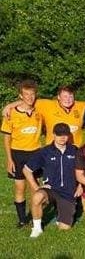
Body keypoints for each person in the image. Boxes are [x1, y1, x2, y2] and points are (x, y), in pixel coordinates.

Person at [22, 123, 79, 238]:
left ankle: (60, 211)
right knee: (37, 196)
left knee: (64, 228)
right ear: (53, 135)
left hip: (68, 192)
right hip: (51, 189)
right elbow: (26, 170)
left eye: (65, 134)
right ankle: (37, 228)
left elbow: (83, 170)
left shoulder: (75, 150)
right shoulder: (45, 151)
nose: (62, 137)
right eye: (59, 134)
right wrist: (37, 188)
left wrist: (80, 186)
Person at [2, 80, 43, 227]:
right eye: (26, 94)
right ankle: (22, 219)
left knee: (35, 186)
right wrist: (9, 159)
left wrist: (9, 103)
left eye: (32, 94)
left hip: (35, 153)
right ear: (21, 95)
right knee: (20, 187)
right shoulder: (11, 113)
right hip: (18, 154)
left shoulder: (39, 109)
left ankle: (35, 216)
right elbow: (6, 138)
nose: (30, 97)